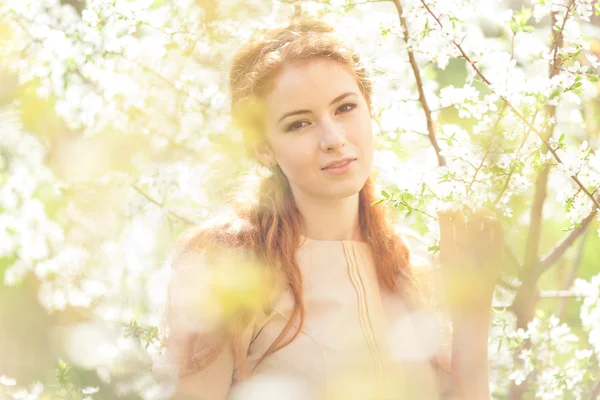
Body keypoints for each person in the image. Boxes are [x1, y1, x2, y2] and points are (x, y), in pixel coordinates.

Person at [152, 17, 505, 400]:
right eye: (299, 124)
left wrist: (472, 309)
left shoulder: (411, 266)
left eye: (345, 108)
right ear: (263, 147)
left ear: (370, 111)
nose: (333, 139)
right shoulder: (228, 268)